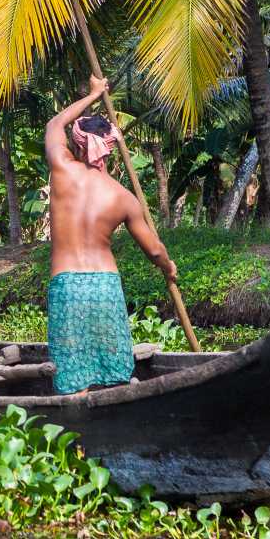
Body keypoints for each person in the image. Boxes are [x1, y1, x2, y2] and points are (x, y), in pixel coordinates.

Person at [43, 76, 177, 394]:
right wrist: (168, 266)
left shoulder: (62, 170)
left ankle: (78, 428)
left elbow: (54, 124)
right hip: (105, 286)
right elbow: (155, 251)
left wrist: (93, 95)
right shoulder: (123, 197)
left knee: (74, 374)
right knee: (112, 374)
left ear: (76, 144)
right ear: (110, 148)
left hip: (68, 285)